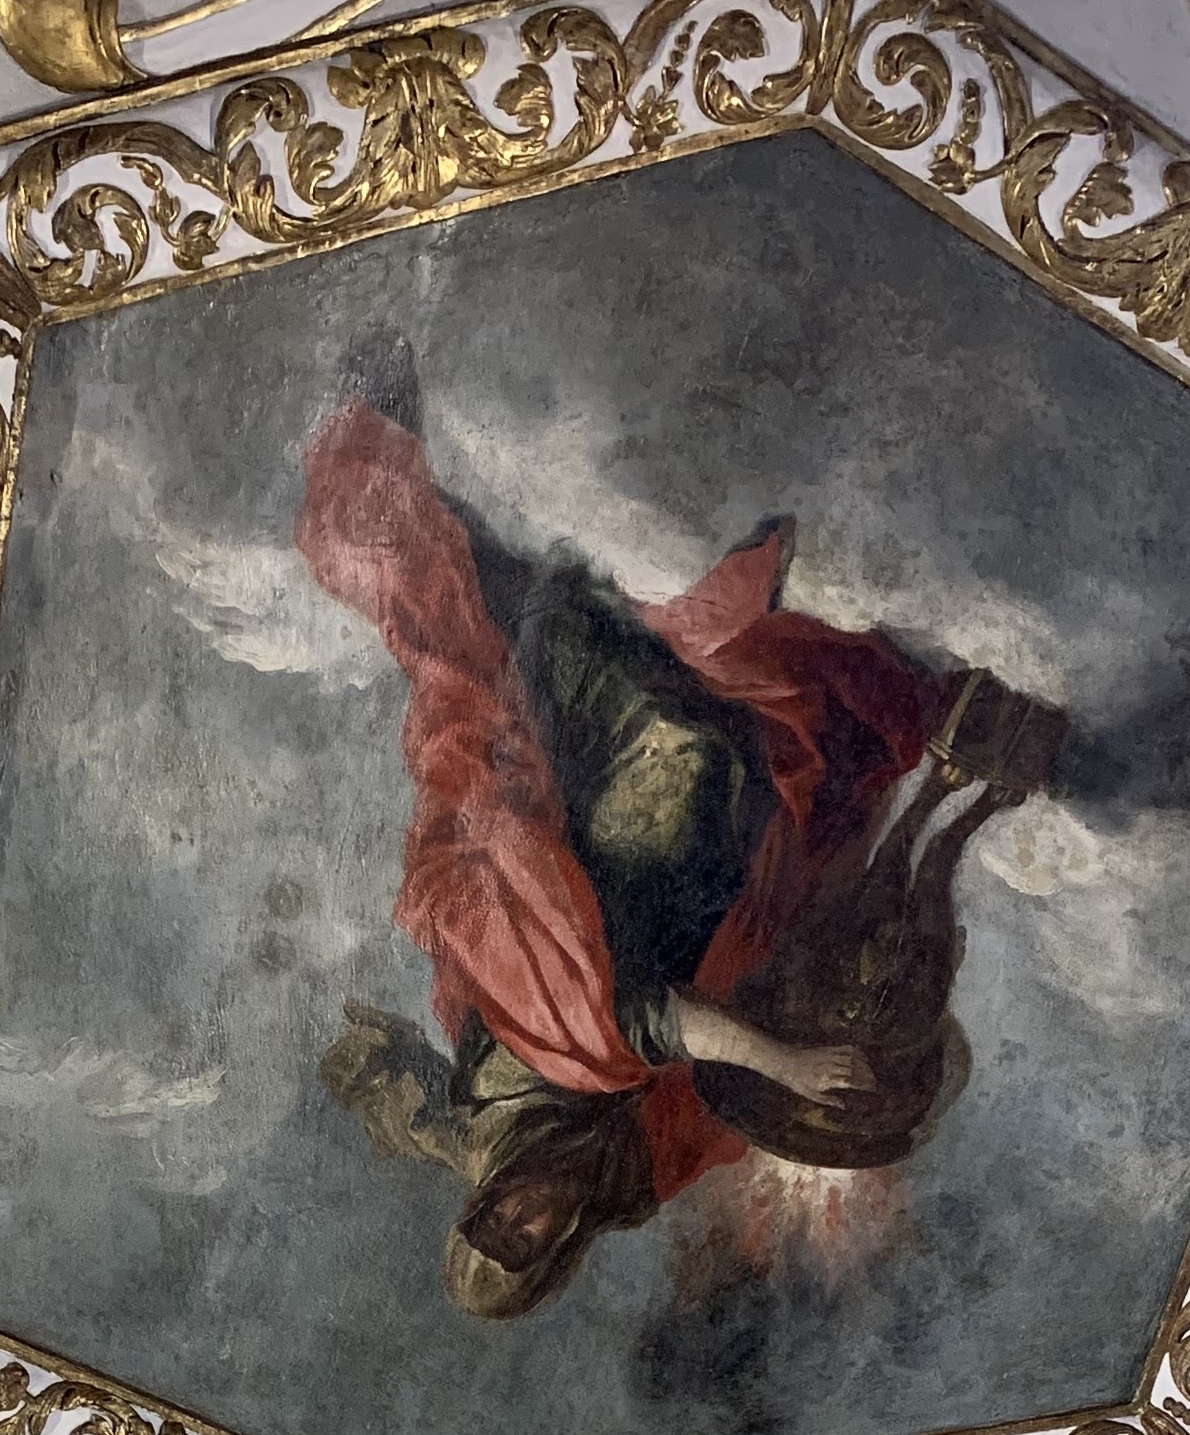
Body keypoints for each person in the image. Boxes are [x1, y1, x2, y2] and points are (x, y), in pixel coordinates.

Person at [295, 336, 1058, 1318]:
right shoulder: (626, 1184)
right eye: (528, 1241)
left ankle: (381, 439)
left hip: (581, 855)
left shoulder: (506, 1104)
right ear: (556, 1252)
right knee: (797, 823)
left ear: (480, 1204)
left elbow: (625, 1024)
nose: (524, 1214)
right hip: (687, 900)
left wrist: (778, 1061)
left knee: (515, 650)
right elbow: (710, 1109)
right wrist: (813, 1080)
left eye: (497, 1220)